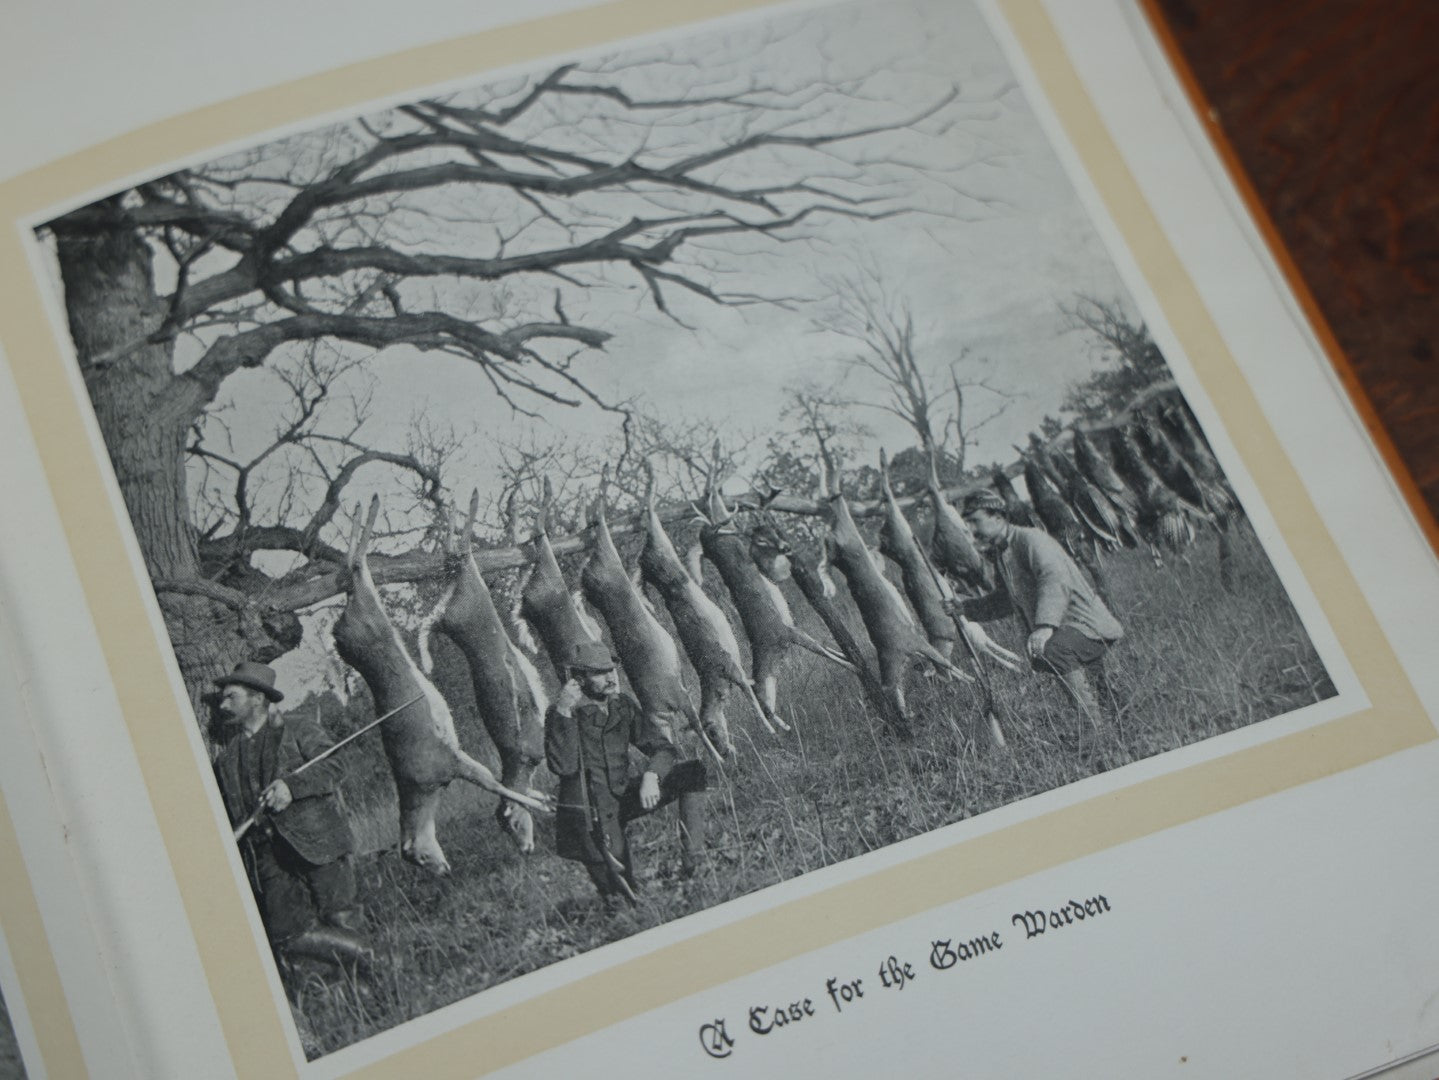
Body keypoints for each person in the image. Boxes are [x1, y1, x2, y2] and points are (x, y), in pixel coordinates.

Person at [210, 661, 373, 970]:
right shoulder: (226, 759)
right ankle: (364, 964)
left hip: (318, 842)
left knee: (341, 917)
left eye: (231, 696)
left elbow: (336, 765)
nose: (222, 704)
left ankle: (372, 982)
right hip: (267, 859)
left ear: (257, 697)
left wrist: (292, 787)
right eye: (222, 698)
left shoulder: (297, 727)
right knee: (288, 935)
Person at [545, 641, 708, 900]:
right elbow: (562, 766)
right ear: (579, 680)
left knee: (692, 773)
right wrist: (563, 711)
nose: (610, 678)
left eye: (611, 670)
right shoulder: (564, 716)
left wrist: (652, 776)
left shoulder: (621, 705)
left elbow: (662, 747)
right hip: (592, 816)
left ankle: (695, 865)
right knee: (624, 898)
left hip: (621, 796)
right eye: (599, 673)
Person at [954, 490, 1123, 724]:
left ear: (998, 517)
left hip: (1087, 625)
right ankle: (1117, 715)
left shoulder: (1030, 539)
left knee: (1053, 649)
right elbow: (1006, 600)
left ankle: (1095, 727)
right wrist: (965, 608)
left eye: (975, 521)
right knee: (1075, 667)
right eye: (968, 522)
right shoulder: (1002, 553)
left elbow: (1054, 578)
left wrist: (1044, 626)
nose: (971, 530)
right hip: (1067, 628)